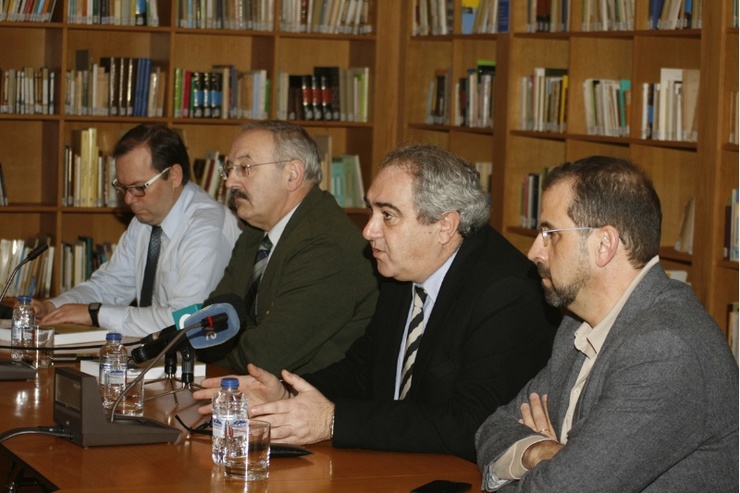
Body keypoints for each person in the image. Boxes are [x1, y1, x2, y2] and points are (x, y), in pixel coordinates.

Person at [194, 144, 559, 462]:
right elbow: (363, 370)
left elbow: (471, 424)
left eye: (388, 216)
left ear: (445, 226)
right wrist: (287, 391)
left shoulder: (506, 293)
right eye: (372, 212)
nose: (368, 230)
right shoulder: (402, 269)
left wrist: (333, 421)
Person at [475, 156, 739, 492]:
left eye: (550, 234)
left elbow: (563, 489)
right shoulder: (577, 329)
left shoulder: (666, 349)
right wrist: (538, 451)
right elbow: (492, 428)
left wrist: (551, 468)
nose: (533, 252)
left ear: (604, 244)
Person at [195, 120, 379, 375]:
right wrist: (210, 336)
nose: (229, 183)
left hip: (314, 404)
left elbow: (265, 356)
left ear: (292, 175)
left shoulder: (327, 244)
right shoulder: (254, 232)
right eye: (230, 169)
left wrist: (215, 338)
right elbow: (205, 323)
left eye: (245, 168)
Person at [35, 124, 241, 337]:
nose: (128, 199)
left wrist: (95, 314)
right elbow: (109, 286)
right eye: (123, 188)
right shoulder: (145, 220)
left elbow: (185, 320)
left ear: (174, 176)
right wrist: (53, 307)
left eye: (139, 187)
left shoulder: (207, 228)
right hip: (154, 354)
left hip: (201, 361)